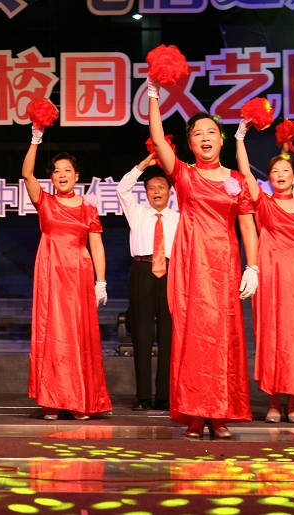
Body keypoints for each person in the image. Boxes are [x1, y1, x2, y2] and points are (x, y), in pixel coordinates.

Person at [147, 76, 259, 439]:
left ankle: (219, 413)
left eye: (211, 132)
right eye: (198, 133)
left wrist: (253, 267)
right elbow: (158, 139)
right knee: (194, 336)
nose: (205, 137)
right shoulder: (184, 174)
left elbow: (247, 226)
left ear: (221, 140)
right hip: (191, 265)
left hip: (224, 266)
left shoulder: (237, 181)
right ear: (191, 143)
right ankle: (196, 412)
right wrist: (153, 93)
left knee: (223, 336)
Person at [235, 124, 294, 424]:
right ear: (270, 178)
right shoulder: (264, 202)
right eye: (274, 171)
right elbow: (245, 173)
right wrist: (239, 138)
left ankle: (293, 402)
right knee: (271, 336)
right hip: (269, 276)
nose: (280, 174)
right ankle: (274, 402)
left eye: (285, 170)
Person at [22, 126, 111, 420]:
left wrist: (101, 281)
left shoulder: (88, 207)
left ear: (77, 175)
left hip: (79, 276)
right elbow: (26, 174)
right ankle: (52, 399)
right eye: (57, 171)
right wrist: (36, 139)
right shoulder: (45, 202)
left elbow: (96, 245)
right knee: (52, 334)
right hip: (50, 275)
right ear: (52, 177)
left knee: (77, 335)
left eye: (67, 170)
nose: (62, 175)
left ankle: (78, 399)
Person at [116, 153, 179, 412]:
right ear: (146, 193)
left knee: (168, 336)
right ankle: (143, 397)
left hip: (171, 273)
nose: (156, 192)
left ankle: (164, 396)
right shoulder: (138, 213)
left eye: (161, 187)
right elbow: (122, 188)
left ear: (170, 192)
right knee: (142, 335)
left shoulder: (180, 218)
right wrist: (143, 165)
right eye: (151, 188)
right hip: (142, 271)